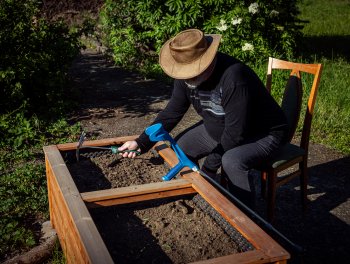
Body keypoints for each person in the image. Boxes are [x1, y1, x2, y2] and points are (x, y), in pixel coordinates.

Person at [118, 28, 288, 208]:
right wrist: (141, 142)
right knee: (181, 147)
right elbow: (172, 112)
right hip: (219, 128)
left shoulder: (234, 77)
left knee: (231, 161)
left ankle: (246, 218)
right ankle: (194, 197)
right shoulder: (185, 76)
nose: (188, 77)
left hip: (261, 134)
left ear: (209, 60)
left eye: (193, 71)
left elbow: (236, 133)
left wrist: (209, 168)